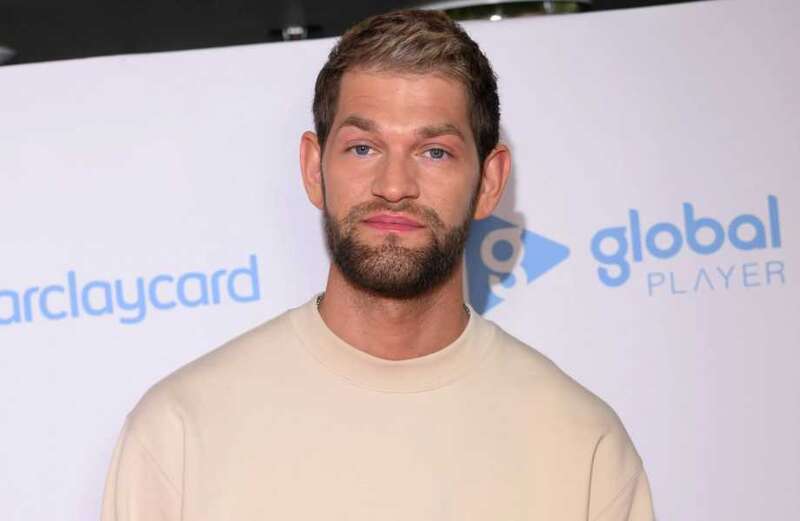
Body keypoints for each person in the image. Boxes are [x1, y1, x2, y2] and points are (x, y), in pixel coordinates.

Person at [101, 10, 655, 521]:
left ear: (489, 182)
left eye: (434, 151)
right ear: (315, 169)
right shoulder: (179, 432)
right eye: (363, 148)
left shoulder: (583, 447)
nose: (394, 187)